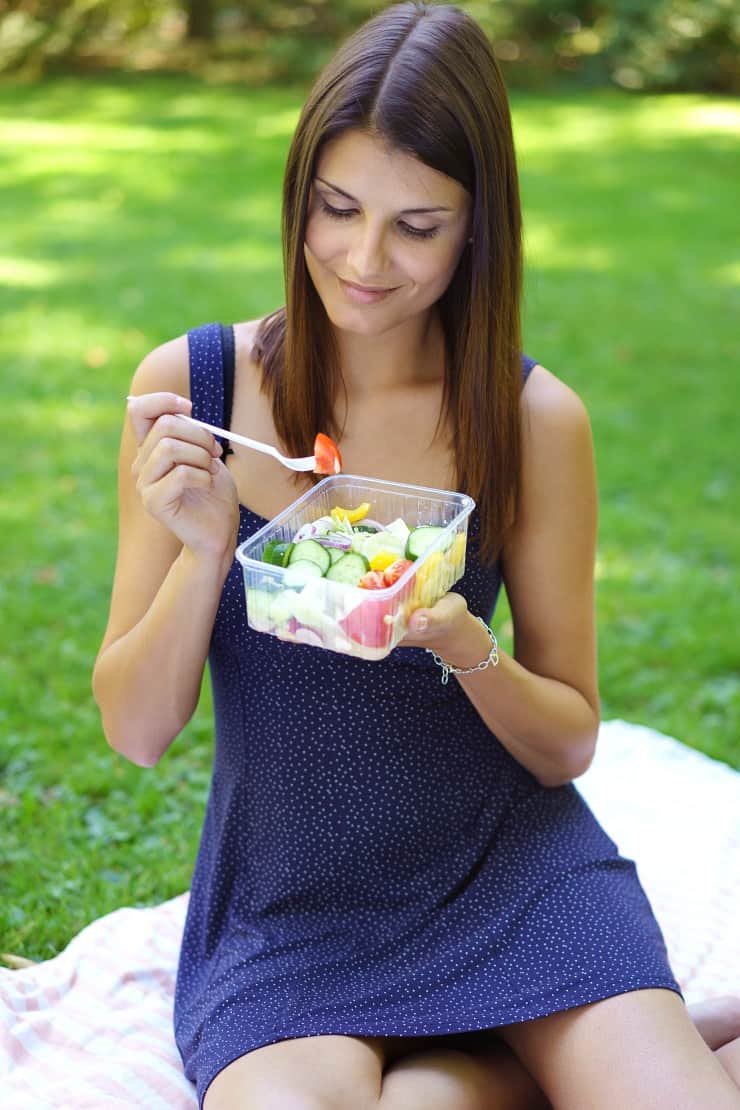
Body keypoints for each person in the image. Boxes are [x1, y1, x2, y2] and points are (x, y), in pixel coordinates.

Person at [92, 3, 740, 1107]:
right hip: (290, 907)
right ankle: (496, 1070)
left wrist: (461, 641)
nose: (362, 259)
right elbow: (137, 732)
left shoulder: (531, 419)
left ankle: (553, 1048)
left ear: (477, 226)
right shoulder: (192, 392)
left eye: (417, 225)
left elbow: (566, 742)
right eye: (336, 209)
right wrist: (204, 556)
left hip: (515, 877)